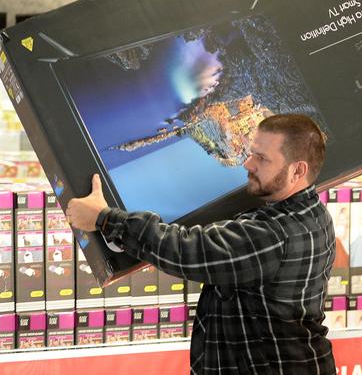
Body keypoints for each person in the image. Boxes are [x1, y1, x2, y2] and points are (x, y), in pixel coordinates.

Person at [67, 114, 337, 374]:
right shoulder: (313, 212)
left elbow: (187, 251)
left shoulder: (273, 234)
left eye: (262, 158)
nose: (248, 164)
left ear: (297, 170)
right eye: (252, 152)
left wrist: (103, 218)